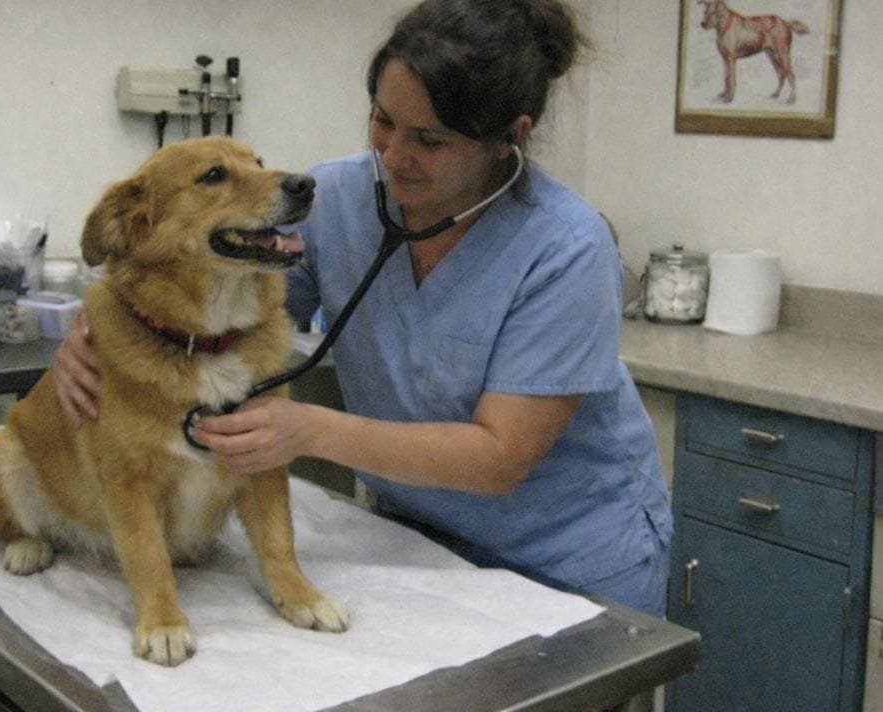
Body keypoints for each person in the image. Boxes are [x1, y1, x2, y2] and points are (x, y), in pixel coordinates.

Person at [54, 0, 672, 619]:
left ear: (510, 137)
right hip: (414, 537)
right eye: (383, 121)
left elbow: (500, 458)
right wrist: (93, 335)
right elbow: (217, 315)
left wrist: (312, 430)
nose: (394, 154)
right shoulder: (341, 199)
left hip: (565, 561)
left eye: (429, 140)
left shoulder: (567, 248)